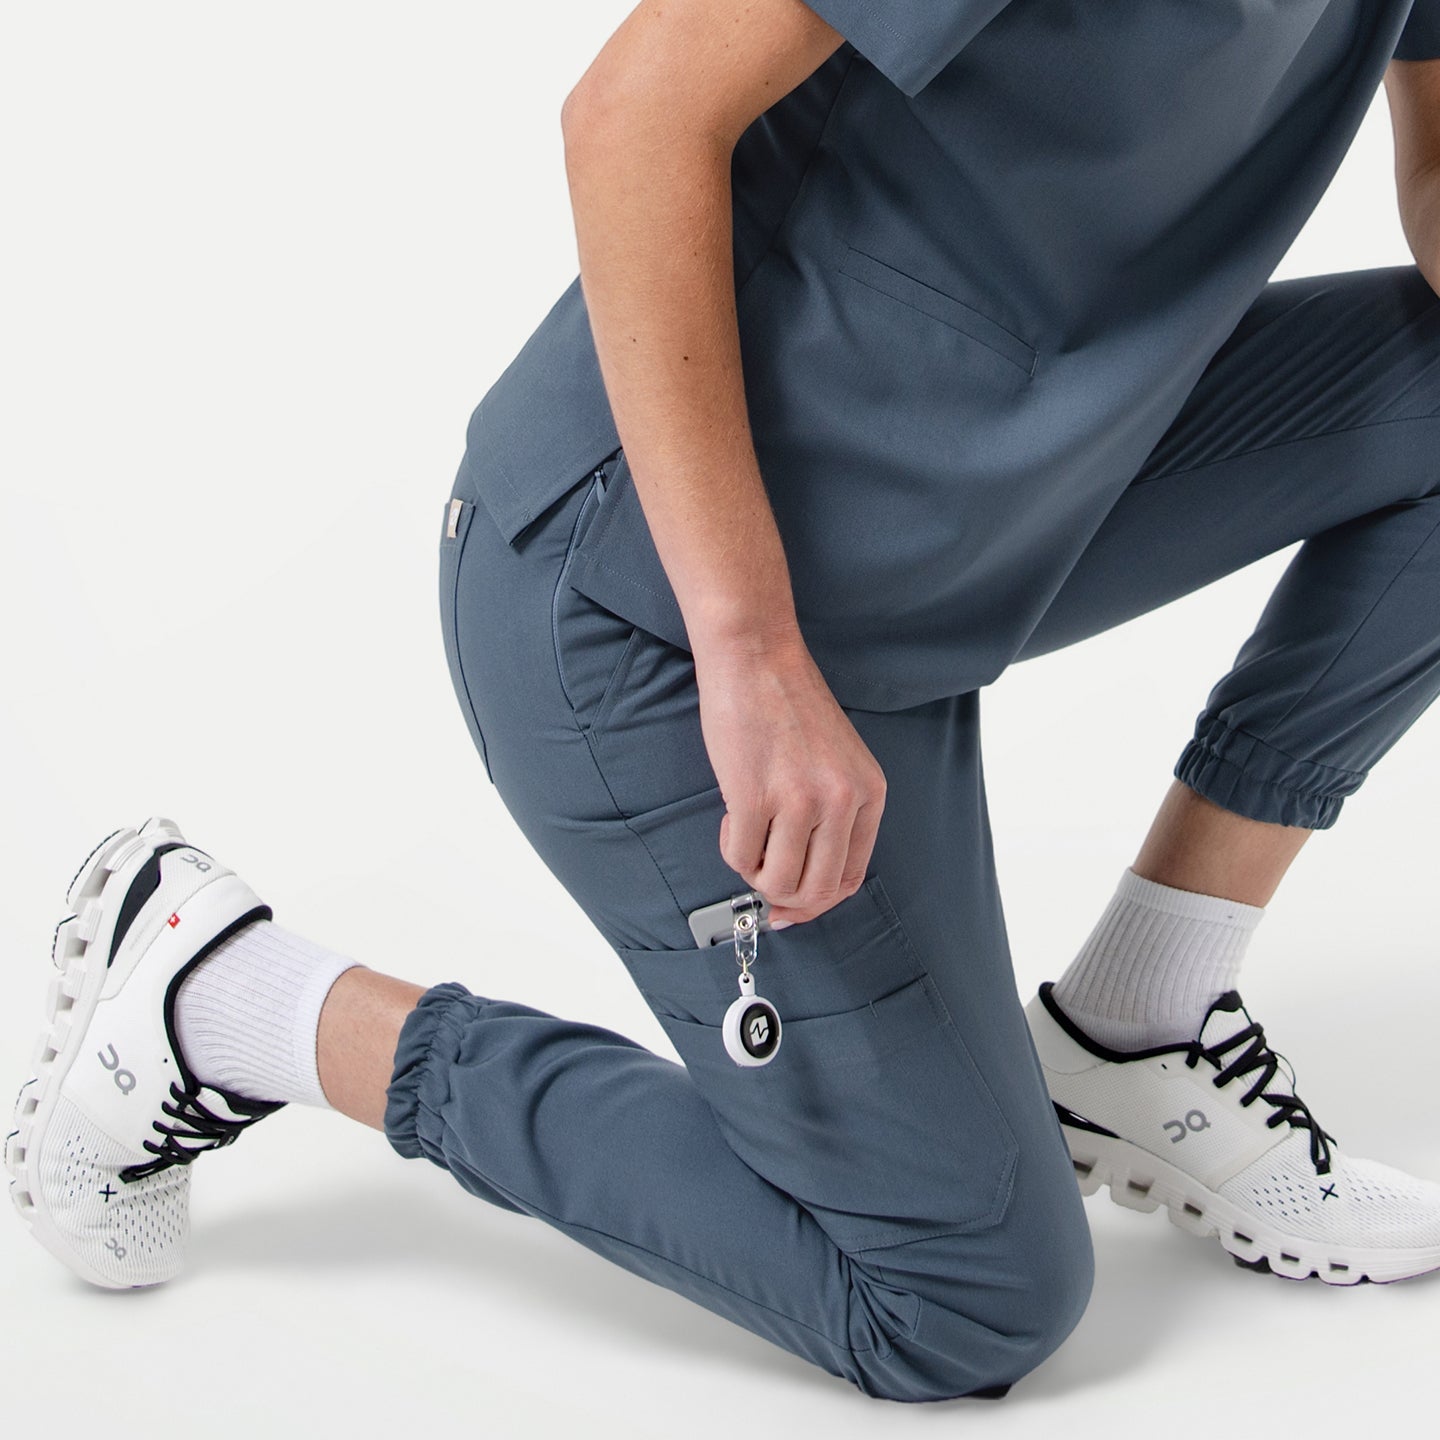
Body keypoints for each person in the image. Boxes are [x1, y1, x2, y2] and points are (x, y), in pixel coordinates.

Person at [9, 0, 1440, 1406]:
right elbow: (632, 115)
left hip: (968, 535)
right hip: (656, 609)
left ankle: (1141, 1021)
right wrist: (749, 650)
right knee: (970, 1300)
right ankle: (233, 999)